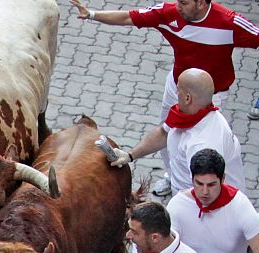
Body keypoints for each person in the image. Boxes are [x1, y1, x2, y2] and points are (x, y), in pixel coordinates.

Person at [69, 0, 259, 196]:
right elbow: (128, 17)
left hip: (212, 93)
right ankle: (173, 176)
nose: (178, 6)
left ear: (201, 3)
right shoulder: (170, 12)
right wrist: (91, 14)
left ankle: (187, 182)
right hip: (178, 83)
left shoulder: (229, 23)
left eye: (184, 3)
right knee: (170, 131)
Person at [110, 69, 245, 196]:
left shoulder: (202, 144)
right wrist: (130, 155)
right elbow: (164, 133)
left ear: (187, 98)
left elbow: (206, 193)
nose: (175, 91)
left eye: (178, 89)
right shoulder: (188, 115)